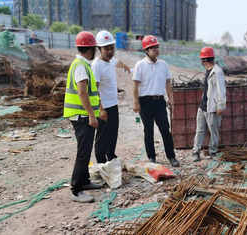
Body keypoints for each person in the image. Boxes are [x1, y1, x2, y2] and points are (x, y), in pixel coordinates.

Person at [63, 31, 103, 203]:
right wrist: (92, 116)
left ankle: (85, 181)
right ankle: (76, 190)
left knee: (85, 151)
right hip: (81, 116)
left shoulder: (82, 64)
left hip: (81, 115)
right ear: (91, 49)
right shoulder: (80, 66)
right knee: (83, 153)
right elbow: (82, 93)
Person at [132, 35, 180, 167]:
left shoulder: (163, 64)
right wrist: (136, 102)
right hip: (145, 102)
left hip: (159, 101)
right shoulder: (140, 65)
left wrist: (170, 99)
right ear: (146, 50)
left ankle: (171, 156)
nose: (156, 49)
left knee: (165, 129)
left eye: (157, 47)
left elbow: (168, 82)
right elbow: (135, 85)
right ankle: (151, 157)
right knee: (149, 131)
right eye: (152, 47)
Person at [92, 30, 131, 163]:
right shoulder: (96, 66)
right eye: (106, 48)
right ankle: (101, 162)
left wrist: (125, 66)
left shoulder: (110, 60)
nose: (110, 51)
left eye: (111, 48)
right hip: (104, 107)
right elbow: (94, 90)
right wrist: (101, 109)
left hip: (113, 104)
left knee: (113, 133)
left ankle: (111, 156)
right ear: (99, 49)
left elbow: (116, 62)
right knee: (102, 136)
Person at [192, 47, 226, 162]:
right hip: (203, 107)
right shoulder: (209, 72)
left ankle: (212, 152)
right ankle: (196, 152)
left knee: (214, 131)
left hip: (213, 108)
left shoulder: (217, 72)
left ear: (203, 60)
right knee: (200, 130)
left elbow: (222, 90)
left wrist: (220, 106)